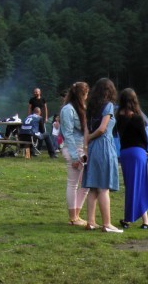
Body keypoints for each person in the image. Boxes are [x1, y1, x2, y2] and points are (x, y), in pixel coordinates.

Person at [82, 78, 122, 233]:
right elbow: (102, 129)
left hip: (92, 148)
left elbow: (86, 129)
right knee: (104, 187)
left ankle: (91, 222)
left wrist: (86, 143)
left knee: (93, 187)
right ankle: (107, 224)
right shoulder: (109, 106)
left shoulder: (91, 108)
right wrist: (91, 137)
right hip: (103, 146)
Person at [115, 88, 148, 229]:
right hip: (138, 152)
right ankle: (142, 220)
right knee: (140, 185)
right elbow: (144, 137)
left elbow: (117, 134)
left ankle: (130, 219)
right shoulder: (137, 117)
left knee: (131, 186)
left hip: (125, 153)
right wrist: (146, 150)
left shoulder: (118, 117)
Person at [59, 82, 90, 226]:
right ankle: (72, 217)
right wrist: (74, 156)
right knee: (73, 183)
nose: (87, 96)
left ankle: (77, 215)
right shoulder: (68, 109)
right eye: (86, 94)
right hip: (73, 148)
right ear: (81, 94)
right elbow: (68, 134)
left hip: (83, 149)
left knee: (86, 184)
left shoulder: (82, 108)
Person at [27, 87, 56, 158]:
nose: (35, 93)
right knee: (43, 134)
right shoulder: (32, 100)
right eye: (34, 92)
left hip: (41, 119)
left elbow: (45, 108)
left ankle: (38, 148)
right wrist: (29, 116)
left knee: (41, 133)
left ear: (39, 92)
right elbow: (29, 108)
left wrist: (46, 117)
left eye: (36, 92)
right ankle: (51, 153)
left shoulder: (43, 100)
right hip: (34, 120)